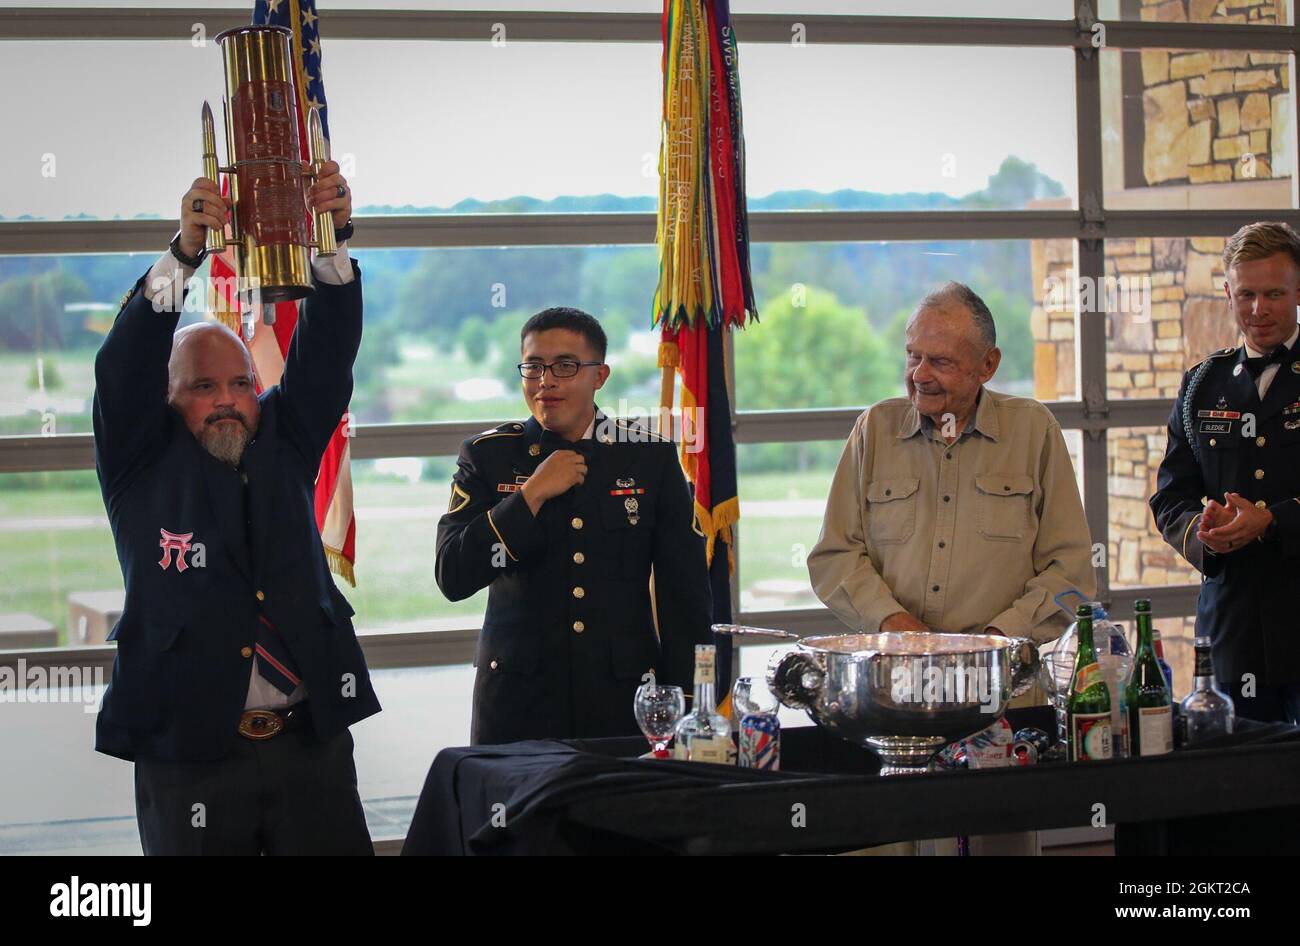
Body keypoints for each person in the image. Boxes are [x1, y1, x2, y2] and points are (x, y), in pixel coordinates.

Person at [92, 163, 379, 854]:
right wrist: (185, 252)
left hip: (309, 747)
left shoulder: (286, 439)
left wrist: (329, 241)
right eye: (201, 386)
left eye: (239, 384)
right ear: (166, 398)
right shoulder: (138, 458)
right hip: (190, 755)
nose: (225, 399)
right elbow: (125, 363)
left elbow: (329, 352)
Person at [435, 307, 712, 744]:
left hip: (622, 702)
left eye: (565, 366)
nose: (546, 380)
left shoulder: (647, 458)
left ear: (599, 376)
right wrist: (530, 496)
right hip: (517, 703)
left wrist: (691, 709)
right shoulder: (487, 456)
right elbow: (453, 575)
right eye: (533, 366)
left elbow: (687, 598)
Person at [808, 281, 1096, 643]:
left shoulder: (1034, 431)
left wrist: (995, 642)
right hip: (896, 677)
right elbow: (834, 556)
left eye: (940, 361)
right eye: (913, 355)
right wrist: (897, 626)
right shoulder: (875, 430)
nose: (919, 375)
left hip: (1005, 684)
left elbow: (1070, 571)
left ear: (987, 365)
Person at [1151, 221, 1300, 724]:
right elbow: (1170, 497)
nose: (1259, 310)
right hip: (1232, 631)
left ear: (1299, 290)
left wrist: (1273, 521)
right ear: (1228, 294)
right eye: (1247, 295)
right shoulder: (1201, 385)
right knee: (1241, 785)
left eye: (1274, 294)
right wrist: (1203, 532)